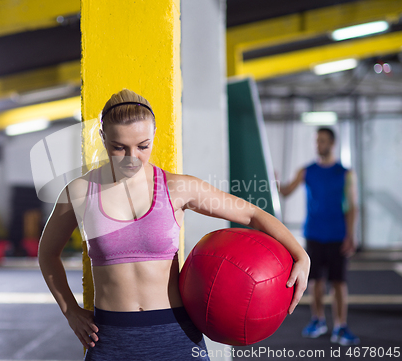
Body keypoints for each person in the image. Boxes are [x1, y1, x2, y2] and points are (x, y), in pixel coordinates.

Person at [38, 89, 310, 360]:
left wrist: (301, 255)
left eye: (143, 146)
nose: (132, 158)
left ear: (154, 136)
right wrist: (70, 311)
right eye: (119, 147)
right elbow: (47, 254)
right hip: (110, 339)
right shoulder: (79, 192)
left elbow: (252, 214)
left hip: (176, 335)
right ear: (102, 136)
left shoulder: (178, 187)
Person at [279, 127, 360, 346]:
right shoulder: (306, 171)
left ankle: (341, 327)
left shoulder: (345, 173)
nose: (318, 145)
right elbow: (286, 191)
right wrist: (273, 180)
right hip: (314, 234)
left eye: (322, 141)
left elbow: (352, 206)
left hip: (337, 235)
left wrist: (350, 235)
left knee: (339, 283)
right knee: (315, 281)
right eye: (316, 141)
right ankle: (318, 321)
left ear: (332, 144)